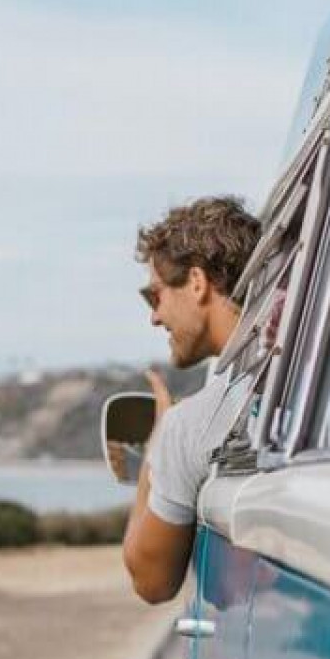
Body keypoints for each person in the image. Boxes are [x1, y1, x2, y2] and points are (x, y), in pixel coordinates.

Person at [122, 196, 262, 603]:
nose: (154, 317)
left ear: (197, 283)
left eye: (156, 296)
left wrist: (159, 440)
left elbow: (149, 579)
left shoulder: (194, 423)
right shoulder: (310, 368)